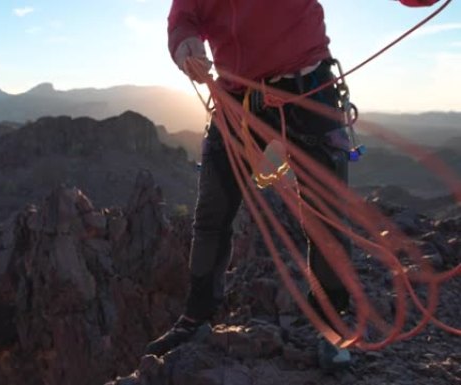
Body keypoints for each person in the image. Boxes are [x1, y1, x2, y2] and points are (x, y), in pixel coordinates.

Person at [145, 0, 440, 372]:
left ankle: (332, 327)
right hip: (240, 96)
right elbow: (185, 15)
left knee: (325, 216)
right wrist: (184, 43)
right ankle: (196, 316)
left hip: (306, 89)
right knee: (211, 214)